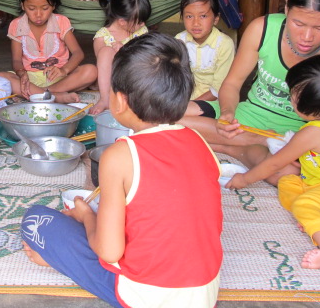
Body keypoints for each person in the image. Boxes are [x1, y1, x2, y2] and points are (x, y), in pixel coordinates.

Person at [21, 32, 223, 308]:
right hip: (203, 295)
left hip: (145, 296)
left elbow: (109, 250)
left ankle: (61, 259)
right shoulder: (199, 141)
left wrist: (85, 216)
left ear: (119, 100)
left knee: (35, 219)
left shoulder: (120, 155)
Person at [181, 0, 320, 185]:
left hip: (291, 138)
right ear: (287, 8)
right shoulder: (262, 29)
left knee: (287, 172)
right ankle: (253, 141)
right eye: (298, 23)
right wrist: (227, 113)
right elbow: (232, 84)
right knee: (168, 117)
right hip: (245, 120)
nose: (307, 38)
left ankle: (228, 147)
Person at [226, 54, 320, 269]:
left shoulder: (312, 132)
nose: (290, 99)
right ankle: (313, 218)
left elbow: (274, 163)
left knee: (305, 202)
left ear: (312, 110)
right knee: (289, 183)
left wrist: (244, 179)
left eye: (294, 97)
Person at [0, 0, 97, 103]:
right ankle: (56, 96)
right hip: (30, 77)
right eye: (31, 8)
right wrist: (22, 75)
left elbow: (78, 53)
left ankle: (40, 94)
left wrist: (64, 70)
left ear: (53, 5)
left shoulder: (61, 22)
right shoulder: (16, 25)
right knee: (1, 77)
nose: (38, 15)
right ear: (22, 5)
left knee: (91, 71)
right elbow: (16, 60)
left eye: (45, 8)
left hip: (58, 77)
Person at [90, 0, 151, 115]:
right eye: (139, 22)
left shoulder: (141, 32)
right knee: (106, 51)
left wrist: (126, 49)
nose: (143, 25)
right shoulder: (103, 36)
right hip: (114, 79)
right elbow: (103, 61)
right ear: (122, 22)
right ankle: (105, 98)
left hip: (135, 78)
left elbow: (147, 57)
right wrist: (118, 53)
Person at [175, 0, 235, 101]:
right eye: (189, 16)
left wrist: (190, 105)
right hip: (182, 98)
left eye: (203, 16)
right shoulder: (179, 40)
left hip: (212, 100)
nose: (196, 23)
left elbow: (218, 89)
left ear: (216, 19)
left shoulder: (224, 45)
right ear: (182, 17)